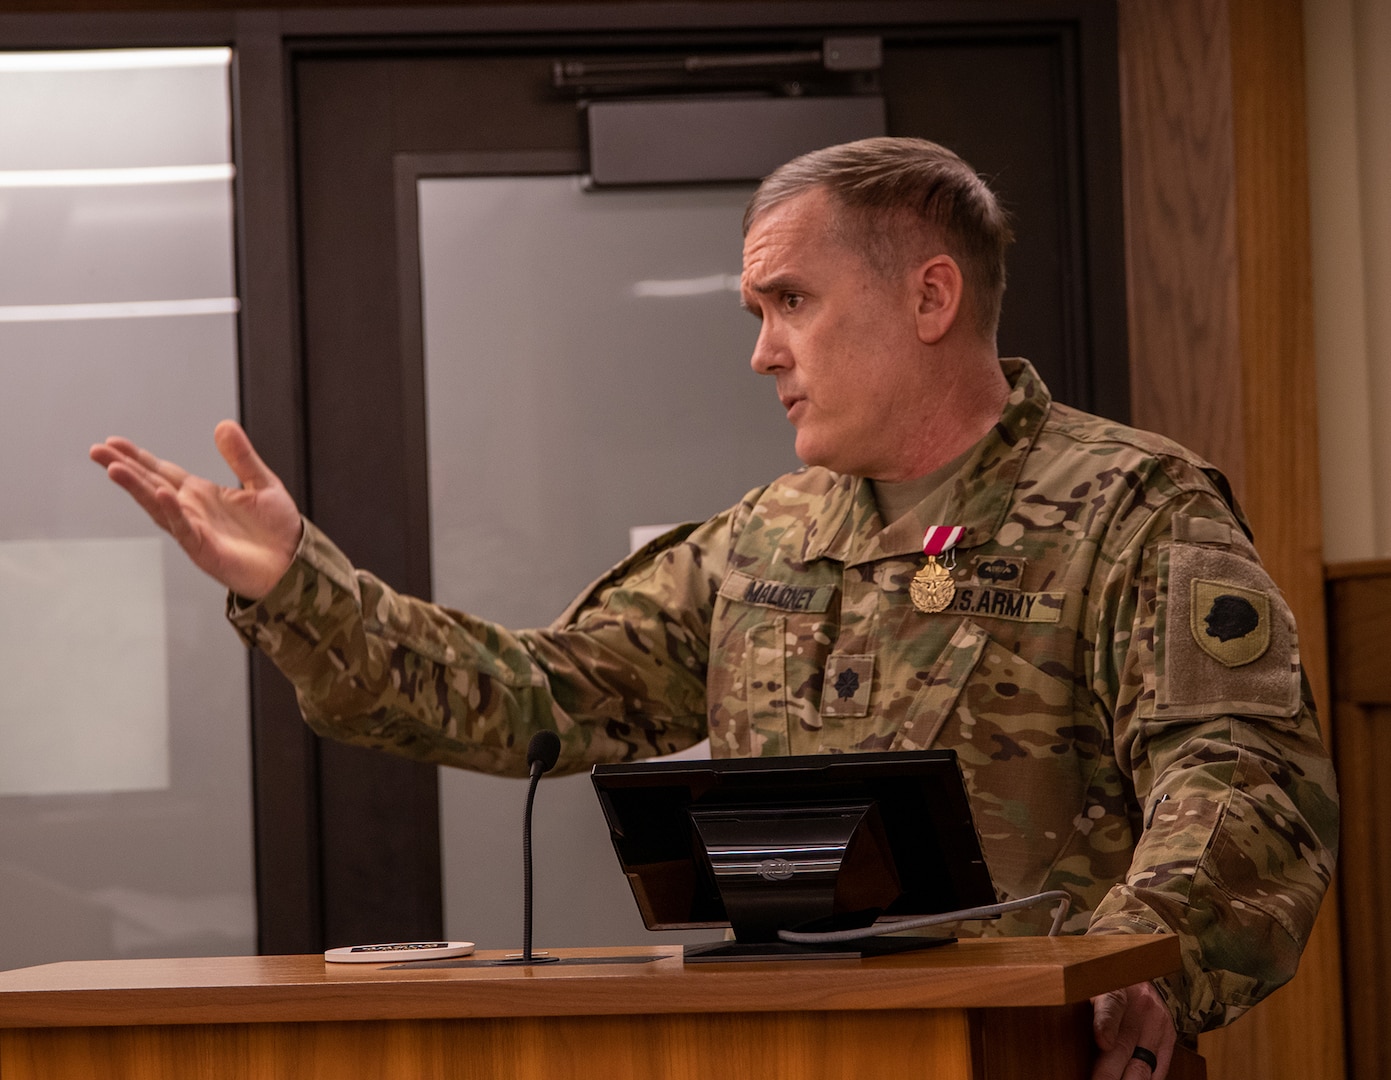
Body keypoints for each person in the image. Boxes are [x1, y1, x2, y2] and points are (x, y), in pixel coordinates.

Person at [90, 137, 1338, 1080]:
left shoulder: (1132, 507)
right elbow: (536, 699)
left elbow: (1239, 783)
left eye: (789, 303)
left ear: (928, 299)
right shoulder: (763, 539)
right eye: (756, 316)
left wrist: (1127, 976)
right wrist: (300, 584)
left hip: (1038, 1057)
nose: (760, 354)